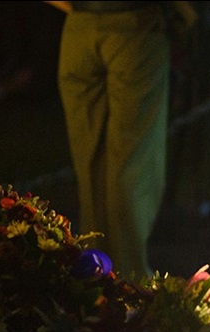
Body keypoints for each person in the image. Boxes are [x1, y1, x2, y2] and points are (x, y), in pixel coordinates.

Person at [46, 1, 197, 277]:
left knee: (89, 160)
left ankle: (94, 274)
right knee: (132, 160)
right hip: (133, 23)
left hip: (79, 26)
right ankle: (129, 282)